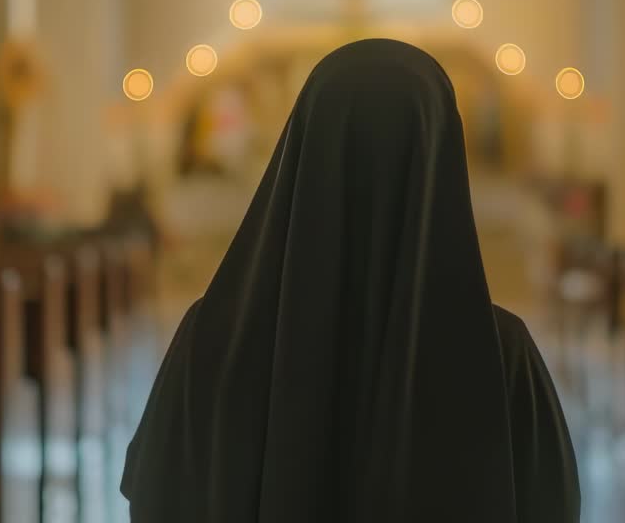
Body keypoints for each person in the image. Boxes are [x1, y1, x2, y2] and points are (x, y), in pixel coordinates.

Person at [121, 39, 580, 522]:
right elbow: (553, 508)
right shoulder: (500, 353)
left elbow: (155, 500)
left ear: (300, 145)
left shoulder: (209, 340)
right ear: (442, 154)